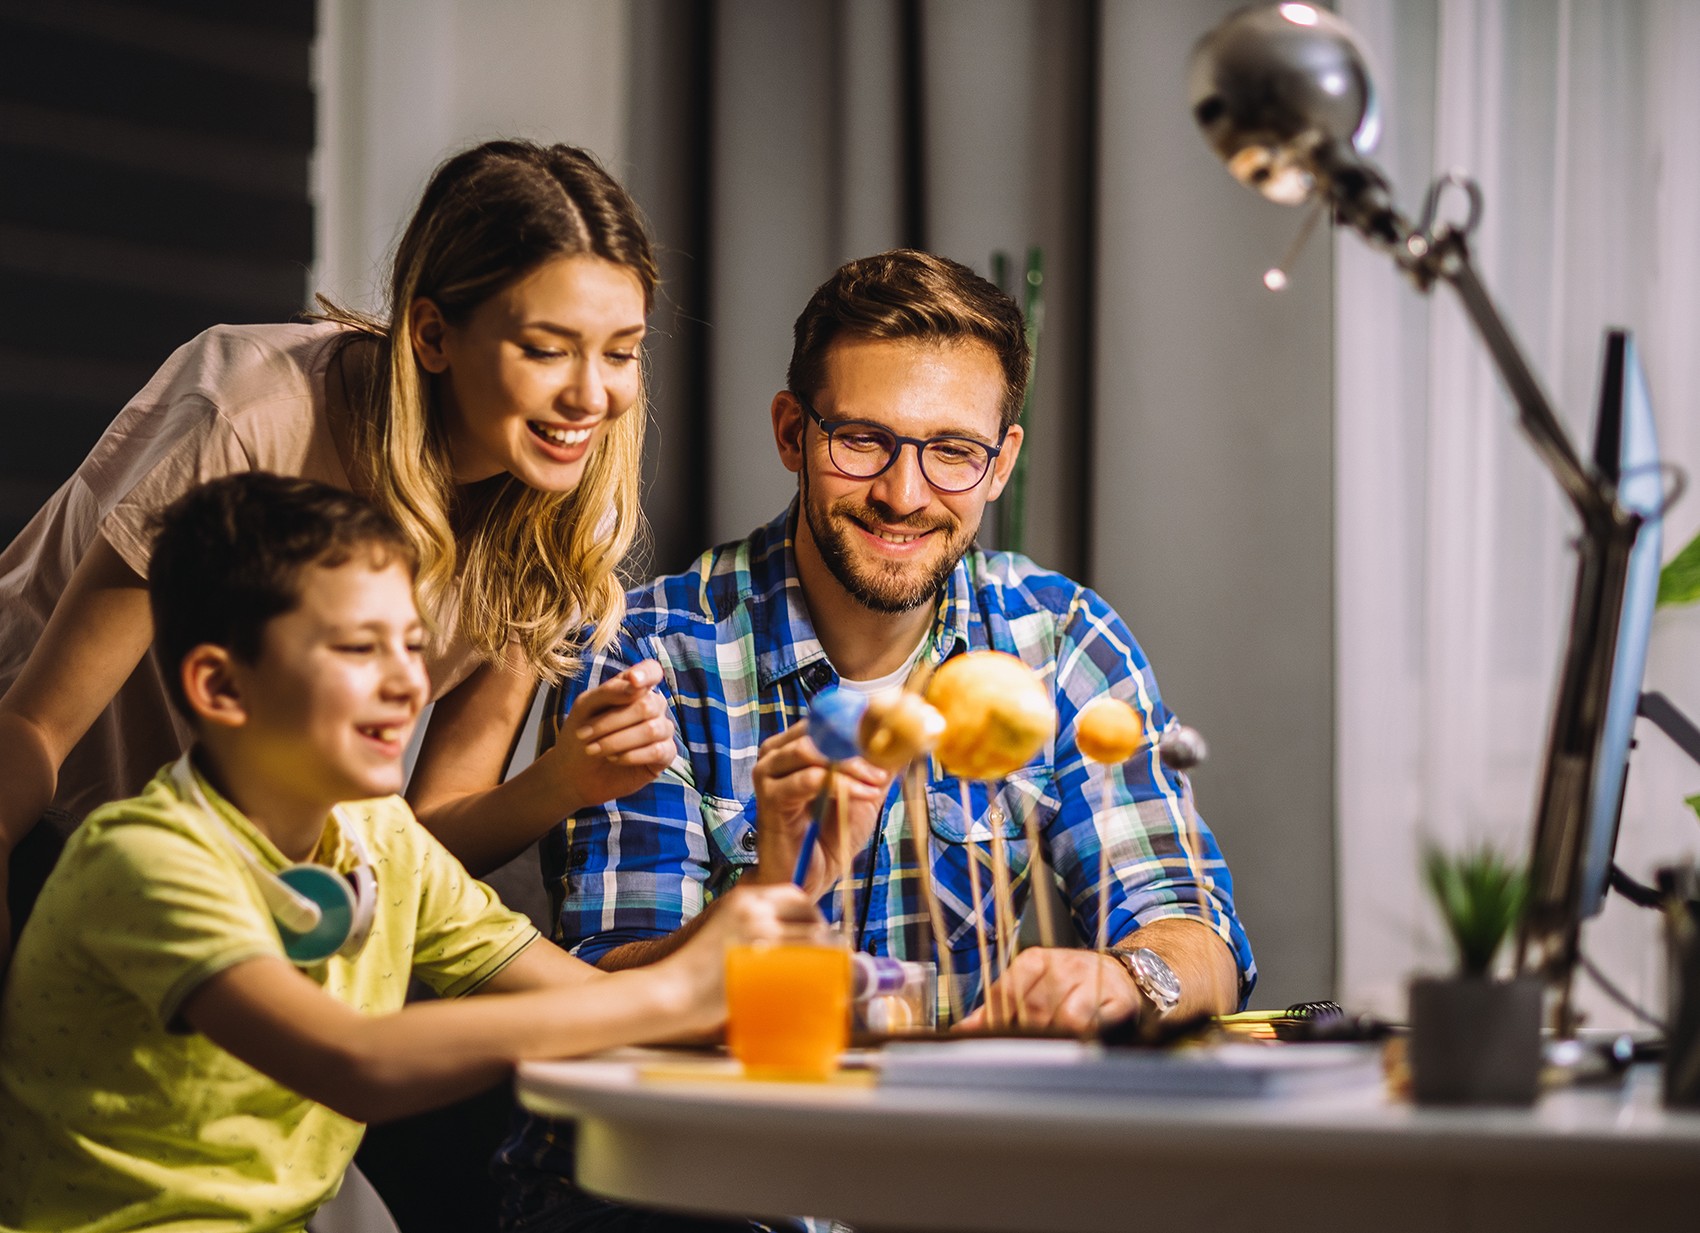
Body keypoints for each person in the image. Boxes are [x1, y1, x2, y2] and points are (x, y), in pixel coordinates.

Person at [493, 249, 1256, 1231]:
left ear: (1002, 461)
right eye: (861, 440)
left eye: (952, 452)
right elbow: (601, 1005)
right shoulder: (651, 654)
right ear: (789, 432)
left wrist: (1120, 977)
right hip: (693, 1190)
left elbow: (1195, 938)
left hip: (956, 1184)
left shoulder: (1060, 643)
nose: (904, 494)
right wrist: (773, 900)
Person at [0, 473, 813, 1233]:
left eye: (410, 647)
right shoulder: (149, 859)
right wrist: (676, 994)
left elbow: (586, 1002)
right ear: (220, 686)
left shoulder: (382, 841)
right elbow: (354, 1062)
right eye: (359, 648)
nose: (406, 685)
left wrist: (777, 877)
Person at [0, 139, 681, 964]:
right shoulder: (251, 414)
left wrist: (564, 782)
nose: (591, 395)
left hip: (234, 883)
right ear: (432, 334)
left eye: (621, 351)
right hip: (44, 824)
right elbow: (33, 724)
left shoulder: (558, 514)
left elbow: (423, 835)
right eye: (546, 348)